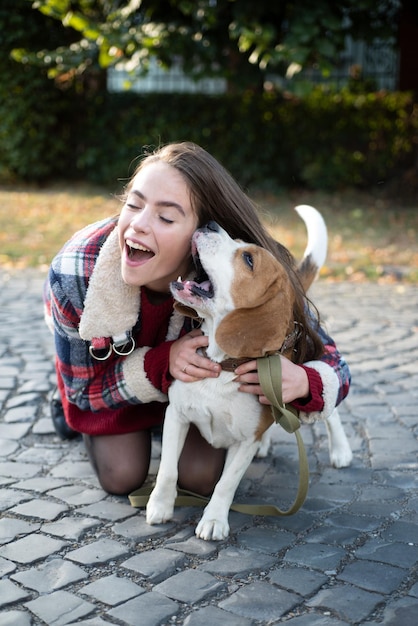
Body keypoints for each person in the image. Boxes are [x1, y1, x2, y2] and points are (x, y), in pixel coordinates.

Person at [44, 141, 350, 497]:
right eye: (133, 203)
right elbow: (84, 392)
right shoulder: (75, 272)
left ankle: (167, 419)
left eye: (166, 216)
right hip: (115, 382)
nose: (138, 225)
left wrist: (307, 381)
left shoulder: (236, 271)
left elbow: (333, 362)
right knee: (121, 476)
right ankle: (60, 403)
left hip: (195, 392)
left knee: (201, 479)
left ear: (202, 234)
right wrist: (160, 363)